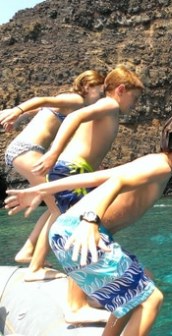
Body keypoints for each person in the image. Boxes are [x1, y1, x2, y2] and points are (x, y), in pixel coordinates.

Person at [4, 112, 172, 336]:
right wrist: (91, 220)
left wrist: (41, 189)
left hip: (67, 230)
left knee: (143, 281)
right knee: (151, 300)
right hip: (81, 231)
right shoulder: (161, 166)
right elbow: (117, 181)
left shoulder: (153, 162)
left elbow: (101, 176)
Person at [29, 64, 145, 324]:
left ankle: (80, 295)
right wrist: (53, 152)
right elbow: (73, 117)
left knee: (81, 229)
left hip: (75, 172)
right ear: (121, 90)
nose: (135, 105)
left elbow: (90, 143)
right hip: (71, 172)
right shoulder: (110, 105)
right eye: (134, 98)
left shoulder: (110, 110)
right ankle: (75, 305)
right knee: (81, 232)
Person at [0, 70, 105, 281]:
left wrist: (19, 115)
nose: (102, 96)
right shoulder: (75, 99)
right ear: (87, 86)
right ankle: (35, 266)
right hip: (27, 151)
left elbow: (40, 108)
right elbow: (41, 99)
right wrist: (16, 110)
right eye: (100, 90)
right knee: (59, 208)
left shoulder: (70, 102)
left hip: (24, 150)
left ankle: (29, 249)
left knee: (54, 205)